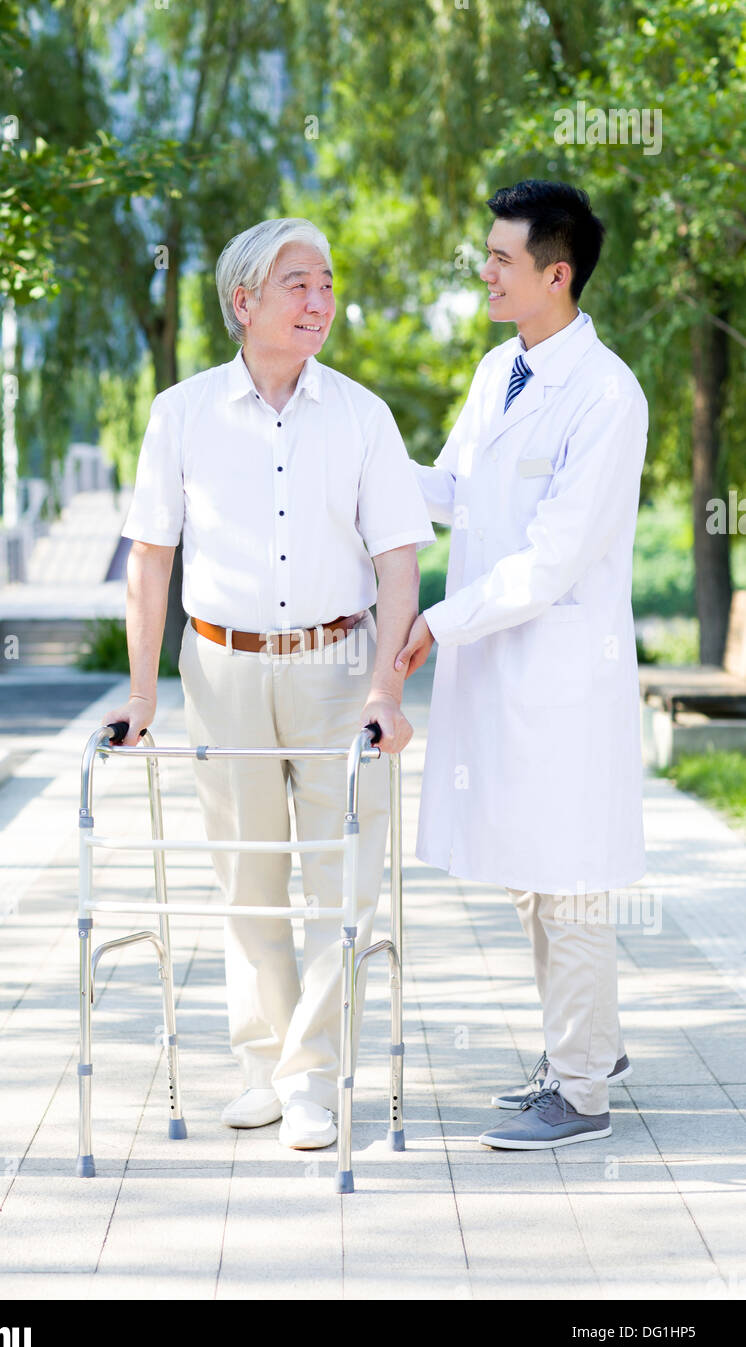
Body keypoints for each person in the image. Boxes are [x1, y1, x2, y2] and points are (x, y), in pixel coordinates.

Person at [105, 217, 434, 1150]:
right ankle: (260, 1065)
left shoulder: (364, 415)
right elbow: (150, 560)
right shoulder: (183, 412)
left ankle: (314, 1080)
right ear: (243, 300)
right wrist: (141, 695)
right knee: (246, 877)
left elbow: (398, 563)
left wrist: (385, 692)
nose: (320, 302)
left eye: (328, 284)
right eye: (300, 285)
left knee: (343, 880)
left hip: (339, 667)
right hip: (222, 664)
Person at [396, 180, 647, 1150]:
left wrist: (436, 619)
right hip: (505, 675)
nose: (484, 270)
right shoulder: (496, 369)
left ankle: (580, 1093)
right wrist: (366, 460)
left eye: (501, 259)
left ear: (556, 272)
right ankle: (585, 1046)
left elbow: (551, 559)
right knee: (532, 876)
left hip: (559, 675)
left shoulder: (604, 393)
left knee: (568, 874)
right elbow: (453, 488)